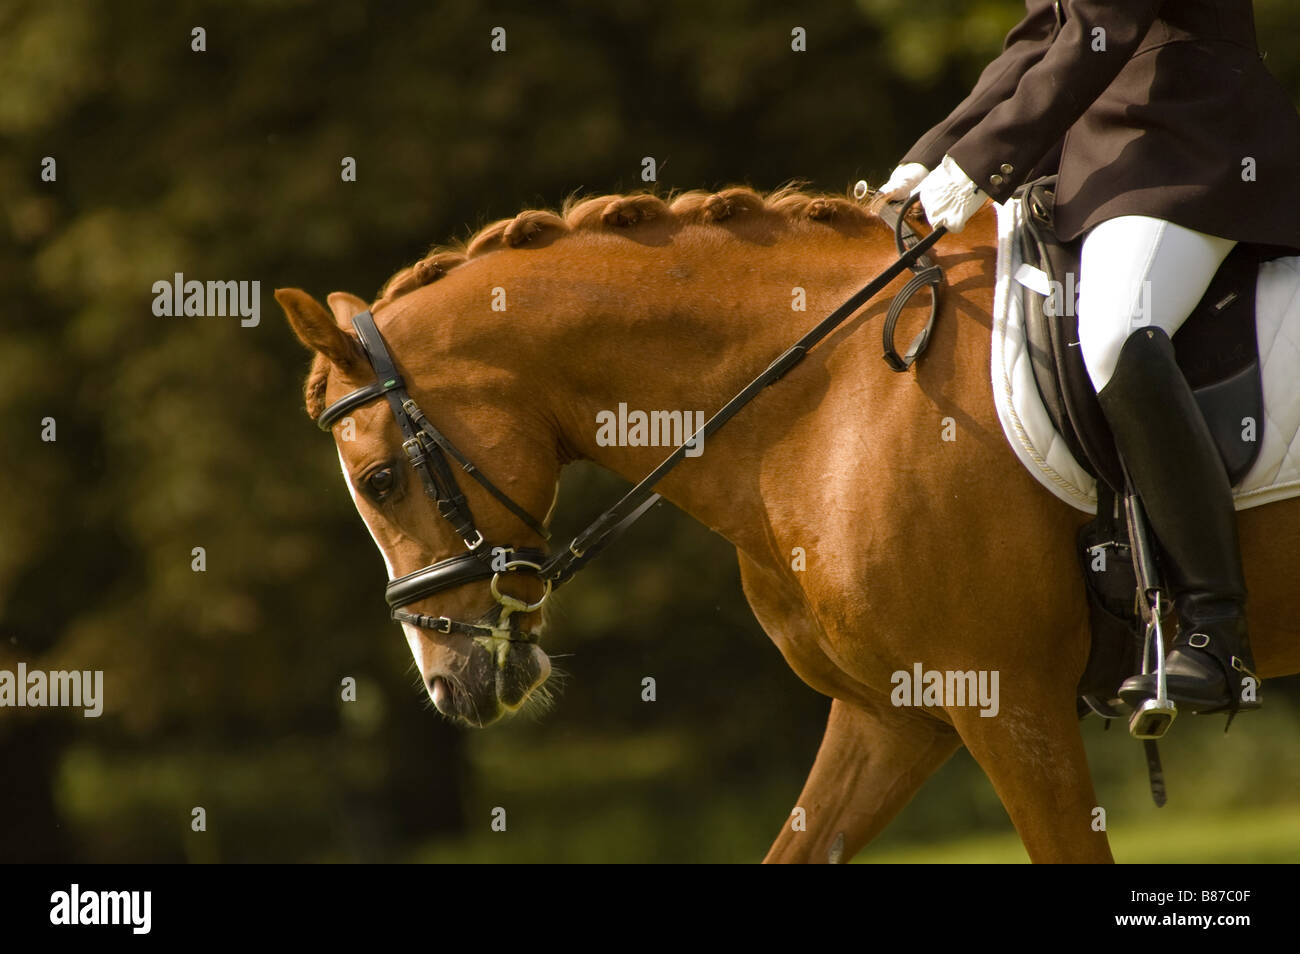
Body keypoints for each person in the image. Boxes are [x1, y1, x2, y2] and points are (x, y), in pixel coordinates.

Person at [882, 0, 1300, 716]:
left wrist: (981, 163)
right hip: (1101, 165)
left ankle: (1214, 630)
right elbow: (1042, 35)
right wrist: (932, 154)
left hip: (1191, 145)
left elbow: (1104, 27)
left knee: (1117, 331)